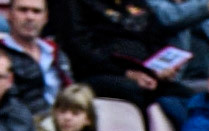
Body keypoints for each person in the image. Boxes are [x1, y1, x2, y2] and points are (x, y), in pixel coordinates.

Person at [66, 0, 201, 123]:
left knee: (192, 97)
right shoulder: (76, 4)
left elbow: (154, 38)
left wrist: (161, 67)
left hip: (145, 72)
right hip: (100, 72)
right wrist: (127, 73)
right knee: (137, 91)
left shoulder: (138, 2)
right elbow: (79, 47)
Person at [3, 0, 75, 114]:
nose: (30, 17)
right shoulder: (2, 54)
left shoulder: (56, 52)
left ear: (46, 17)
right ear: (9, 14)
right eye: (23, 10)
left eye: (36, 11)